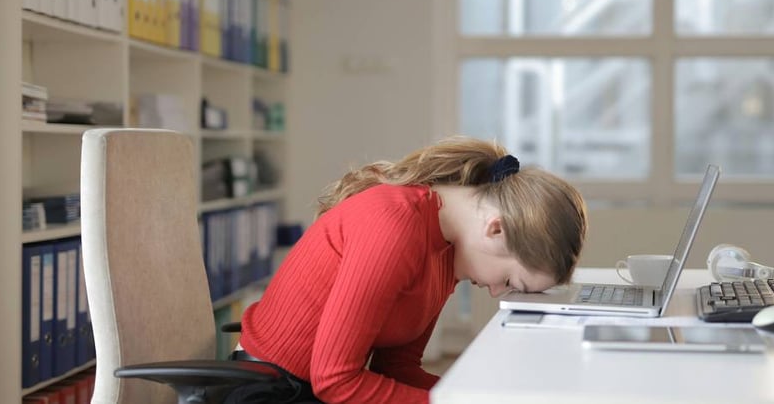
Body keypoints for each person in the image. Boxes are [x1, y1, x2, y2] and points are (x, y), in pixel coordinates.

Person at [237, 136, 588, 403]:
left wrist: (477, 394)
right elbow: (336, 380)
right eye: (510, 280)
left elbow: (397, 369)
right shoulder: (396, 226)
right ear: (496, 229)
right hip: (269, 392)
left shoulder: (450, 251)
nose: (497, 291)